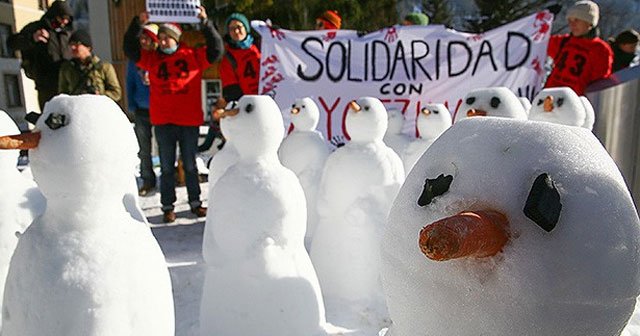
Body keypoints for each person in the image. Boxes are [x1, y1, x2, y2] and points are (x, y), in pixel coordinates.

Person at [123, 7, 223, 223]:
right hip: (163, 121)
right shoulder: (152, 59)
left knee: (189, 165)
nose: (163, 41)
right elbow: (130, 49)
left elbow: (216, 50)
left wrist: (205, 23)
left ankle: (195, 203)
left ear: (176, 39)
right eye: (160, 38)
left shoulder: (192, 55)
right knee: (167, 167)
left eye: (167, 37)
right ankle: (167, 206)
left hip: (188, 120)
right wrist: (137, 23)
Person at [7, 0, 73, 110]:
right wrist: (32, 38)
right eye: (62, 18)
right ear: (54, 15)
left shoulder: (67, 34)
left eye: (67, 19)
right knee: (49, 118)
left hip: (67, 84)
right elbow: (12, 43)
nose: (64, 22)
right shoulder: (35, 28)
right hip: (45, 84)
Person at [544, 1, 613, 96]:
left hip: (574, 102)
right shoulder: (563, 41)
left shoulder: (601, 49)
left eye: (577, 20)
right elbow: (537, 42)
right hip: (549, 97)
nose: (572, 24)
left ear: (589, 23)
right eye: (570, 21)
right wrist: (545, 18)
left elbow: (599, 84)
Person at [125, 23, 159, 196]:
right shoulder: (135, 60)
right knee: (144, 149)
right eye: (142, 38)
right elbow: (129, 82)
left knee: (165, 148)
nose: (144, 41)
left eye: (147, 38)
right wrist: (131, 104)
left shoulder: (159, 58)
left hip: (161, 110)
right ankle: (147, 179)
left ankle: (172, 176)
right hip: (141, 110)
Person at [58, 29, 122, 102]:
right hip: (76, 109)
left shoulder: (104, 67)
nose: (73, 47)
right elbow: (62, 95)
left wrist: (99, 95)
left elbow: (116, 93)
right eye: (71, 44)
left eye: (76, 44)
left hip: (97, 109)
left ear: (88, 47)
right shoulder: (66, 68)